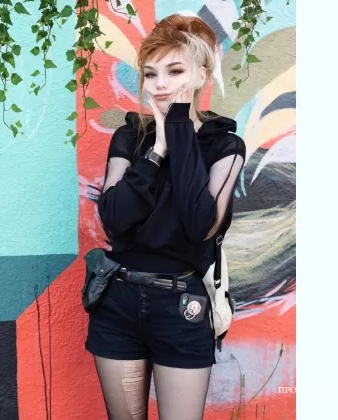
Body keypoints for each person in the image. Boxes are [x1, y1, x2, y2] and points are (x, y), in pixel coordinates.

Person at [85, 11, 246, 420]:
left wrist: (178, 129)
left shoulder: (225, 146)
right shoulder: (130, 137)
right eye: (151, 74)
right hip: (117, 302)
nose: (160, 85)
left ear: (200, 75)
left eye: (175, 71)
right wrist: (157, 150)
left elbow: (200, 224)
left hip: (182, 308)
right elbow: (115, 218)